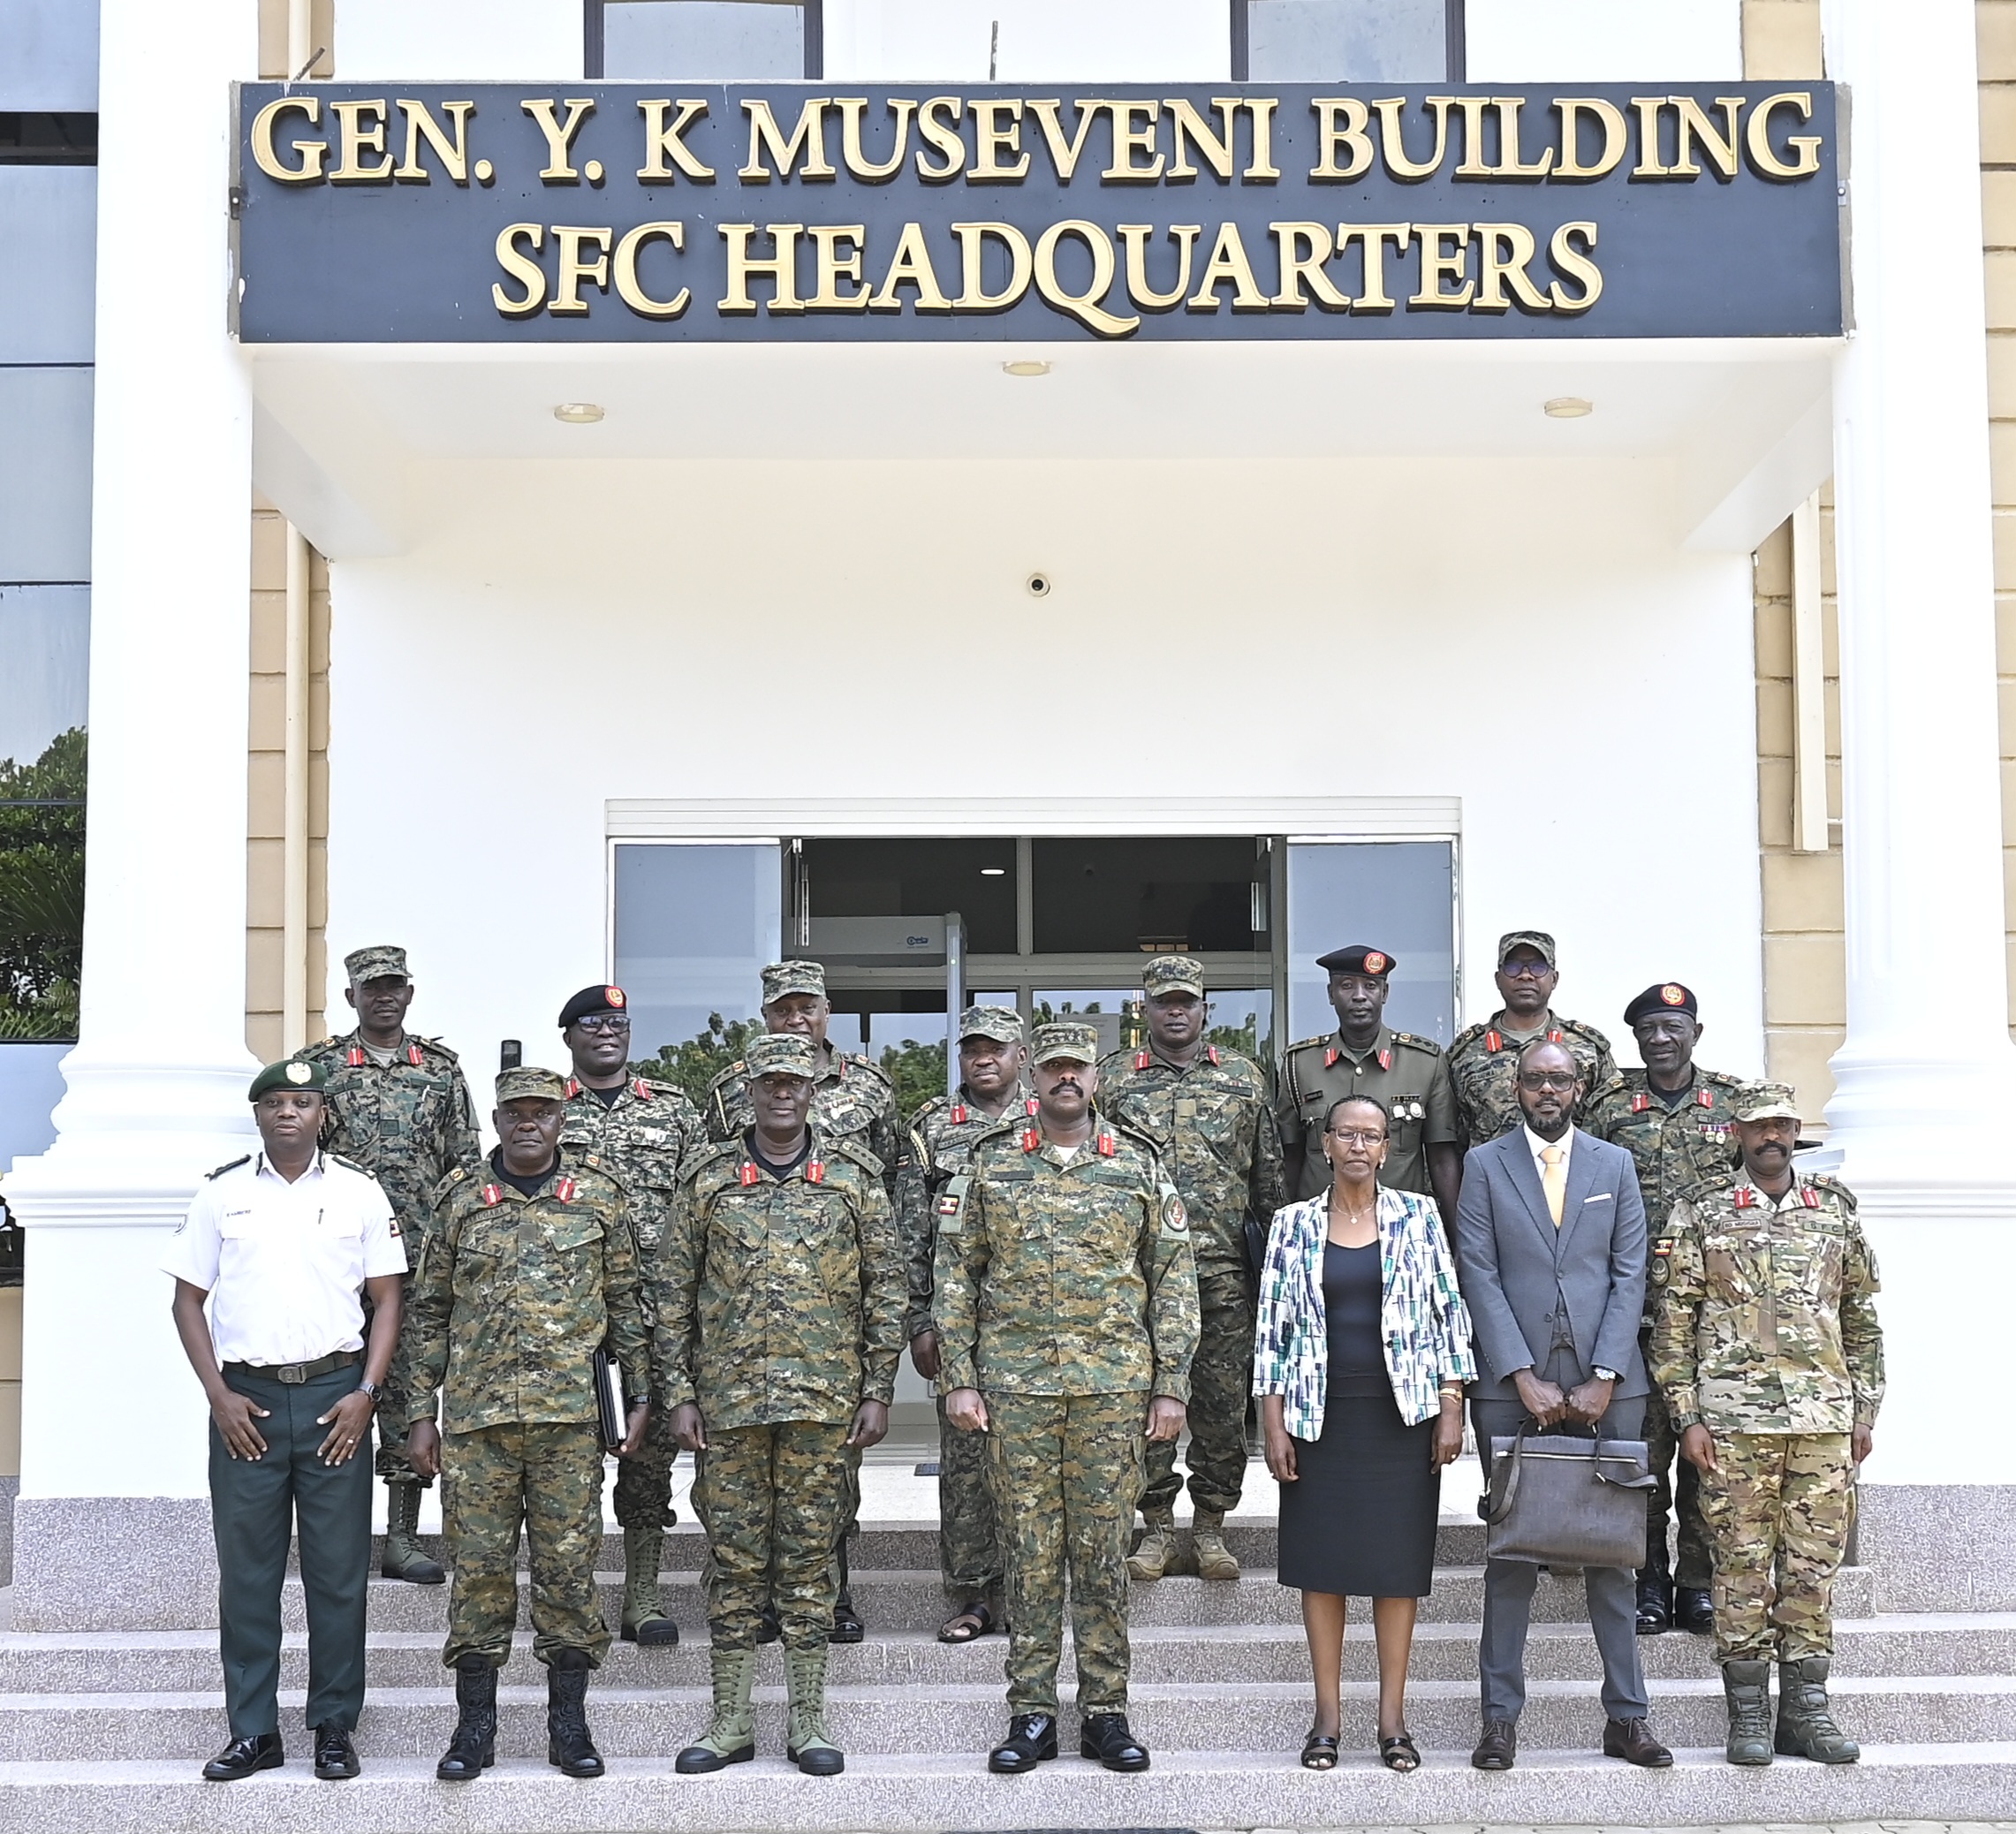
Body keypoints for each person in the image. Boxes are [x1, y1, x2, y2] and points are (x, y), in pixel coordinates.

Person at [936, 1020, 1200, 1776]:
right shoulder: (990, 1165)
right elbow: (957, 1275)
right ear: (1033, 1075)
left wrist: (1170, 1384)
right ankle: (1030, 1713)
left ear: (1096, 1076)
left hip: (1113, 1391)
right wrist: (958, 1374)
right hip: (1015, 1392)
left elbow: (1172, 1281)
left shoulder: (1137, 1165)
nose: (1065, 1080)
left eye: (1077, 1068)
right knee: (1028, 1554)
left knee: (1101, 1553)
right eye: (1052, 1068)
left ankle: (1107, 1712)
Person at [663, 1032, 904, 1777]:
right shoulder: (708, 1180)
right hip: (729, 1407)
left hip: (822, 1405)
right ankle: (731, 1720)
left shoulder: (853, 1178)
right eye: (769, 1082)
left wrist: (876, 1388)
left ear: (812, 1090)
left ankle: (808, 1721)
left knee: (807, 1565)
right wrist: (679, 1392)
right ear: (749, 1090)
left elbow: (884, 1288)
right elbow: (672, 1294)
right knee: (734, 1564)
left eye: (794, 1082)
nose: (781, 1093)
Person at [402, 1066, 651, 1784]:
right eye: (516, 1112)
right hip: (478, 1427)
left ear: (561, 1120)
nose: (529, 1124)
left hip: (570, 1425)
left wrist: (638, 1398)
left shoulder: (599, 1197)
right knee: (479, 1574)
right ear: (499, 1118)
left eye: (542, 1112)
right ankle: (473, 1728)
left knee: (568, 1575)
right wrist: (421, 1413)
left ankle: (567, 1726)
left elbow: (627, 1304)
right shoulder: (459, 1201)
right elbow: (428, 1314)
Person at [163, 1058, 406, 1784]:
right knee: (247, 1575)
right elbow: (186, 1301)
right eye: (277, 1102)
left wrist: (366, 1392)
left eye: (303, 1102)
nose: (290, 1113)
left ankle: (334, 1725)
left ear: (322, 1113)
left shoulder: (360, 1193)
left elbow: (387, 1300)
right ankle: (252, 1731)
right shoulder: (221, 1194)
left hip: (336, 1399)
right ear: (259, 1114)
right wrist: (217, 1394)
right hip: (248, 1406)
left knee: (338, 1575)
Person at [1452, 1037, 1671, 1771]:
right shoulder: (1484, 1165)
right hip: (1513, 1391)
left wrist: (1607, 1370)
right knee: (1510, 1555)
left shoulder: (1614, 1164)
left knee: (1613, 1556)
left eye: (1561, 1080)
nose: (1548, 1091)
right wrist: (1519, 1374)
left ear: (1579, 1089)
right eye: (1535, 1080)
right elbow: (1477, 1271)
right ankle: (1500, 1720)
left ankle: (1628, 1719)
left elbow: (1629, 1270)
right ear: (1516, 1087)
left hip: (1611, 1388)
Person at [1650, 1082, 1883, 1768]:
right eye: (1758, 1126)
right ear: (1738, 1135)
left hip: (1822, 1424)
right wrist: (1687, 1415)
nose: (1772, 1136)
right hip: (1733, 1427)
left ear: (1795, 1129)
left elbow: (1862, 1319)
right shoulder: (1702, 1212)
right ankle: (1748, 1714)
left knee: (1812, 1570)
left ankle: (1806, 1713)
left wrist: (1862, 1409)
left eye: (1782, 1123)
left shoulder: (1832, 1212)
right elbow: (1674, 1324)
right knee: (1742, 1567)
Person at [1254, 1094, 1473, 1773]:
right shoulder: (1291, 1225)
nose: (1358, 1145)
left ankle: (1393, 1719)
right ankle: (1327, 1718)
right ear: (1324, 1143)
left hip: (1400, 1416)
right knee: (1321, 1569)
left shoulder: (1419, 1216)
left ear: (1386, 1149)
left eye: (1371, 1136)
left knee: (1395, 1571)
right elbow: (1272, 1330)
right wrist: (1272, 1421)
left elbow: (1447, 1311)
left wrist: (1451, 1401)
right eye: (1346, 1132)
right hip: (1319, 1417)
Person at [704, 958, 900, 1641]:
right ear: (766, 1016)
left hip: (829, 1325)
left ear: (827, 1011)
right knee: (743, 1494)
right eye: (784, 1008)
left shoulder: (871, 1088)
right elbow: (712, 1193)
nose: (797, 1018)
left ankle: (830, 1595)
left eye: (808, 1006)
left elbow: (893, 1183)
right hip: (743, 1335)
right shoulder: (731, 1088)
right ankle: (751, 1602)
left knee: (827, 1481)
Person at [293, 944, 482, 1585]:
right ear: (351, 997)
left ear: (409, 992)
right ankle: (336, 1534)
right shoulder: (317, 1071)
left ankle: (402, 1536)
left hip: (417, 1258)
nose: (384, 996)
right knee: (332, 1386)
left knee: (405, 1388)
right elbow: (297, 1161)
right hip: (338, 1259)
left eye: (394, 986)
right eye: (371, 987)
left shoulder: (440, 1072)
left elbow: (465, 1165)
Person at [1099, 955, 1280, 1585]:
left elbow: (1268, 1182)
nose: (1176, 1011)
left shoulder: (1244, 1078)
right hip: (1138, 1277)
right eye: (1164, 1001)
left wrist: (1275, 1270)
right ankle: (1155, 1527)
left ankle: (1209, 1526)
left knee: (1222, 1406)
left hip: (1221, 1271)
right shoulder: (1113, 1081)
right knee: (1145, 1404)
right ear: (1143, 1009)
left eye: (1187, 1001)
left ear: (1206, 1008)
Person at [1587, 981, 1748, 1636]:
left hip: (1716, 1318)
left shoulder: (1734, 1105)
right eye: (1648, 1029)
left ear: (1695, 1035)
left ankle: (1698, 1583)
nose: (1659, 1039)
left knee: (1706, 1457)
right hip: (1636, 1313)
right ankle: (1648, 1581)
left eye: (1671, 1028)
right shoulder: (1611, 1108)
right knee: (1644, 1457)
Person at [556, 981, 705, 1648]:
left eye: (617, 1023)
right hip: (574, 1318)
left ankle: (642, 1596)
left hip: (659, 1313)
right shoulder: (545, 1111)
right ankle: (577, 1598)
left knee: (651, 1462)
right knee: (574, 1464)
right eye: (591, 1024)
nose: (606, 1033)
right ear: (570, 1038)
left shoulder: (672, 1112)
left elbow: (705, 1204)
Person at [895, 1003, 1032, 1643]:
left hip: (1039, 1325)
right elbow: (912, 1232)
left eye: (996, 1048)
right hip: (959, 1322)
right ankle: (973, 1594)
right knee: (967, 1465)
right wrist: (920, 1321)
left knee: (1032, 1465)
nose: (983, 1058)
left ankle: (1031, 1592)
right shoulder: (930, 1128)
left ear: (1019, 1057)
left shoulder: (1057, 1120)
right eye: (972, 1048)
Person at [1277, 944, 1460, 1217]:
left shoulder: (1425, 1063)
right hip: (1320, 1228)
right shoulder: (1300, 1064)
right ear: (1331, 994)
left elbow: (1442, 1160)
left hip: (1402, 1229)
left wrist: (1457, 1244)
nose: (1359, 996)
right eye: (1347, 986)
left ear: (1384, 993)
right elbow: (1289, 1160)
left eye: (1371, 986)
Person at [1444, 931, 1616, 1156]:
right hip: (1493, 1184)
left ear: (1554, 979)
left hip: (1572, 1181)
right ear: (1498, 979)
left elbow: (1613, 1125)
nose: (1525, 976)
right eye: (1514, 967)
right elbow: (1448, 1140)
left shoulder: (1588, 1049)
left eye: (1537, 967)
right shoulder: (1465, 1053)